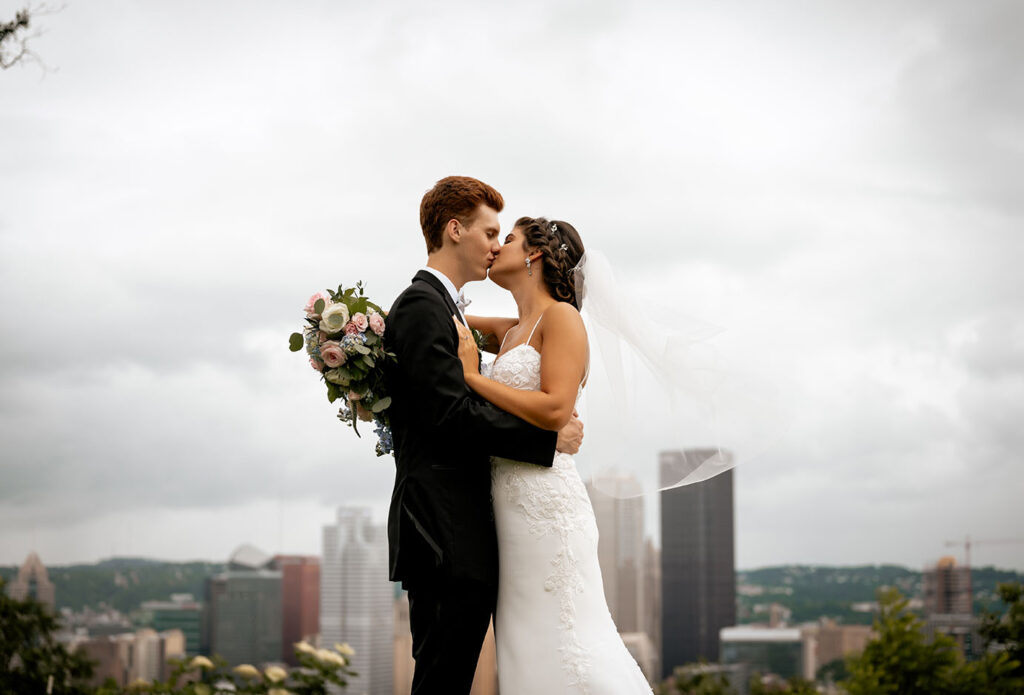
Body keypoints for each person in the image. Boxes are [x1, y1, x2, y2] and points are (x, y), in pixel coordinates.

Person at [384, 177, 585, 695]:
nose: (497, 245)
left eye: (505, 236)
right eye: (490, 231)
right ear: (455, 230)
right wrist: (546, 441)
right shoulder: (424, 306)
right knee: (442, 679)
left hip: (480, 527)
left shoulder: (447, 309)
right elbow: (449, 415)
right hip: (444, 531)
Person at [453, 216, 653, 694]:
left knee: (567, 638)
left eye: (508, 240)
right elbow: (443, 319)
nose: (496, 248)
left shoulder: (561, 318)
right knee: (526, 645)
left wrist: (475, 379)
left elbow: (556, 408)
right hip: (510, 515)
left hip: (547, 509)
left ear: (534, 256)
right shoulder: (512, 330)